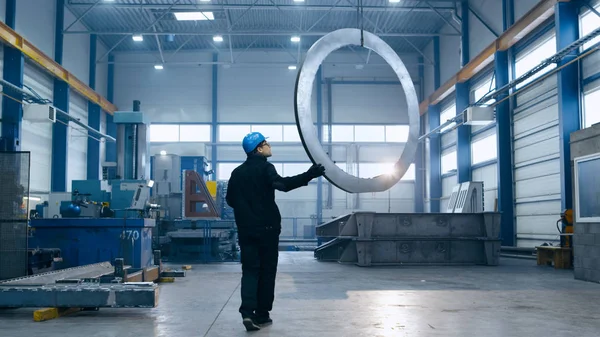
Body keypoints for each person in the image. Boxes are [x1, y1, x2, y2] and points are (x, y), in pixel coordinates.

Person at [225, 131, 325, 331]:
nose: (270, 146)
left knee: (250, 271)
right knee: (267, 271)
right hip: (267, 229)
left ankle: (247, 313)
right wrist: (310, 174)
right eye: (266, 143)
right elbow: (282, 185)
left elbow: (230, 200)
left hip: (246, 230)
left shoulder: (236, 173)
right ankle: (262, 315)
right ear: (259, 149)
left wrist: (247, 210)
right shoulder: (266, 168)